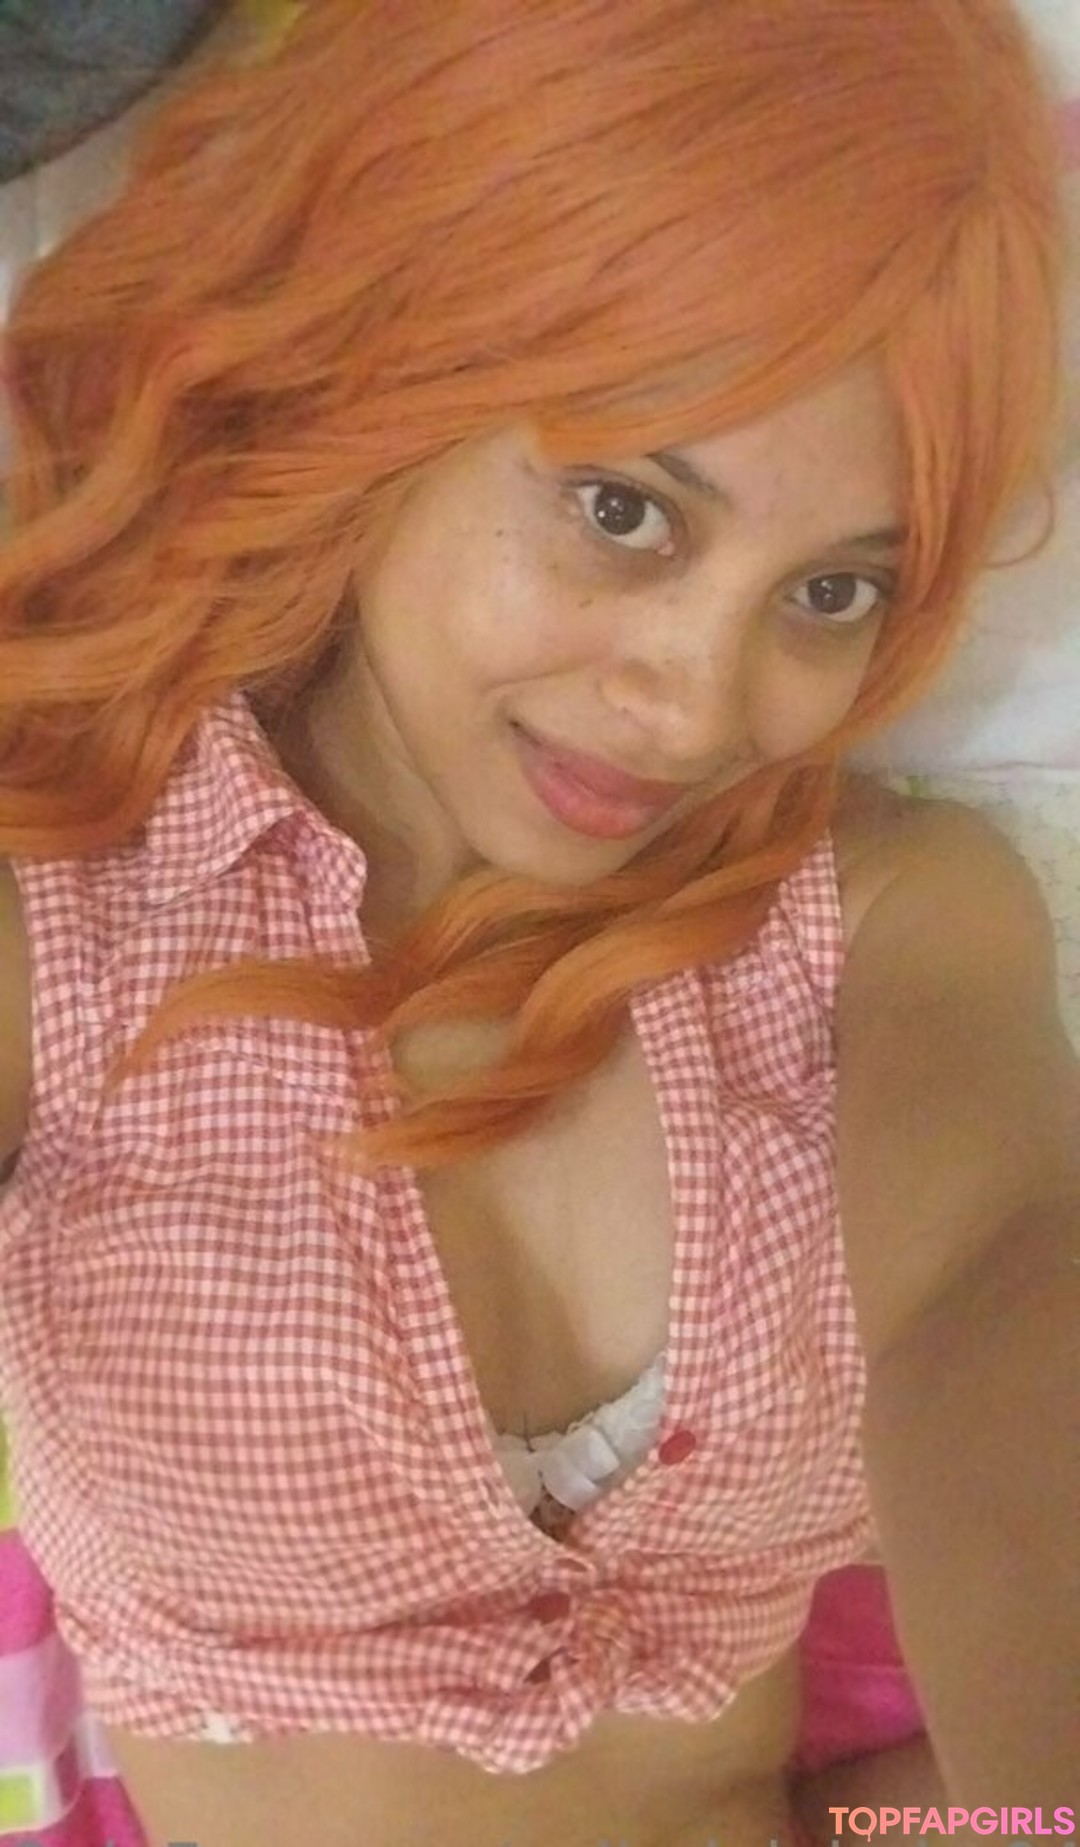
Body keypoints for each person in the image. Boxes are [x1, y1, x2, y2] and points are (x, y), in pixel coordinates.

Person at [0, 3, 1076, 1844]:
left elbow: (1006, 1294)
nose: (699, 703)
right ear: (383, 369)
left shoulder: (893, 916)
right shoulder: (70, 916)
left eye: (832, 592)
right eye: (622, 510)